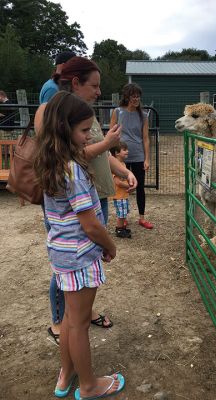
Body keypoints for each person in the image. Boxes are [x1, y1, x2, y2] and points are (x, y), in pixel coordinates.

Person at [34, 56, 138, 343]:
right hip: (73, 203)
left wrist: (123, 169)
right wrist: (107, 144)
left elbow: (100, 153)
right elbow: (60, 157)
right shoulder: (51, 111)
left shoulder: (83, 113)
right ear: (76, 82)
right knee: (69, 262)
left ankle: (83, 312)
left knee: (89, 258)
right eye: (94, 85)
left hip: (94, 196)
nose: (98, 91)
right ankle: (61, 323)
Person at [34, 91, 125, 399]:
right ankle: (88, 386)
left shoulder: (53, 161)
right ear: (64, 129)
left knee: (70, 320)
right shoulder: (73, 170)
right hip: (80, 257)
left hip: (61, 255)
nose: (89, 137)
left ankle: (66, 375)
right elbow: (90, 224)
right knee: (80, 325)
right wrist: (110, 246)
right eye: (85, 131)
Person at [110, 82, 153, 229]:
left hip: (138, 155)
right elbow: (111, 133)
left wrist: (147, 159)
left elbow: (146, 138)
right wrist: (112, 155)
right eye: (134, 96)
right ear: (127, 97)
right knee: (122, 186)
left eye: (138, 97)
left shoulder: (144, 116)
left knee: (139, 186)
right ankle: (123, 218)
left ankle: (141, 217)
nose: (136, 99)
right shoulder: (117, 112)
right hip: (121, 156)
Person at [111, 142, 131, 238]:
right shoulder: (116, 165)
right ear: (117, 153)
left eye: (127, 149)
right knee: (121, 213)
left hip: (123, 195)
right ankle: (119, 230)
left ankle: (122, 228)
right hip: (119, 195)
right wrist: (128, 186)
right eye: (124, 150)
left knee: (124, 212)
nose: (127, 151)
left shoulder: (123, 164)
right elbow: (117, 182)